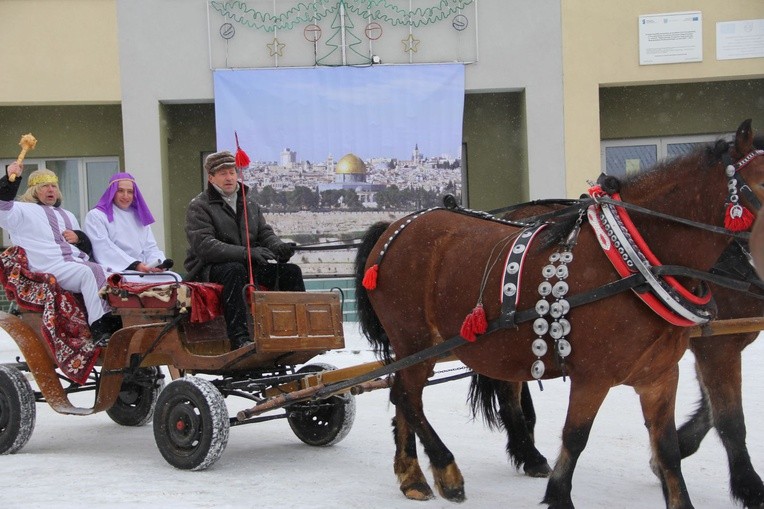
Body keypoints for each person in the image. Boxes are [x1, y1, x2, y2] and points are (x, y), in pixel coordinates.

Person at [184, 150, 304, 350]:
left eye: (232, 172)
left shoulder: (250, 204)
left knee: (291, 272)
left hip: (248, 264)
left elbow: (265, 233)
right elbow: (206, 246)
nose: (229, 177)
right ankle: (239, 338)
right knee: (234, 270)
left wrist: (278, 247)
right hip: (210, 268)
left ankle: (296, 331)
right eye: (222, 173)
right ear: (211, 177)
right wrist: (247, 253)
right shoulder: (199, 206)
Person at [0, 163, 117, 345]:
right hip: (47, 266)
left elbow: (85, 249)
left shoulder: (68, 215)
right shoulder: (21, 210)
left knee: (114, 275)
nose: (50, 190)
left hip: (74, 264)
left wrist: (79, 238)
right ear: (34, 191)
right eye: (44, 186)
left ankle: (122, 323)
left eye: (54, 186)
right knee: (90, 273)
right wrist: (10, 180)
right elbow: (2, 206)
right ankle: (101, 328)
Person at [84, 172, 180, 282]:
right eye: (120, 191)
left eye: (130, 192)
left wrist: (158, 263)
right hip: (115, 270)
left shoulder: (139, 216)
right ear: (112, 192)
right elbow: (103, 248)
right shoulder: (96, 215)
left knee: (174, 278)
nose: (125, 196)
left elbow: (150, 247)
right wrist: (135, 265)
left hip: (142, 270)